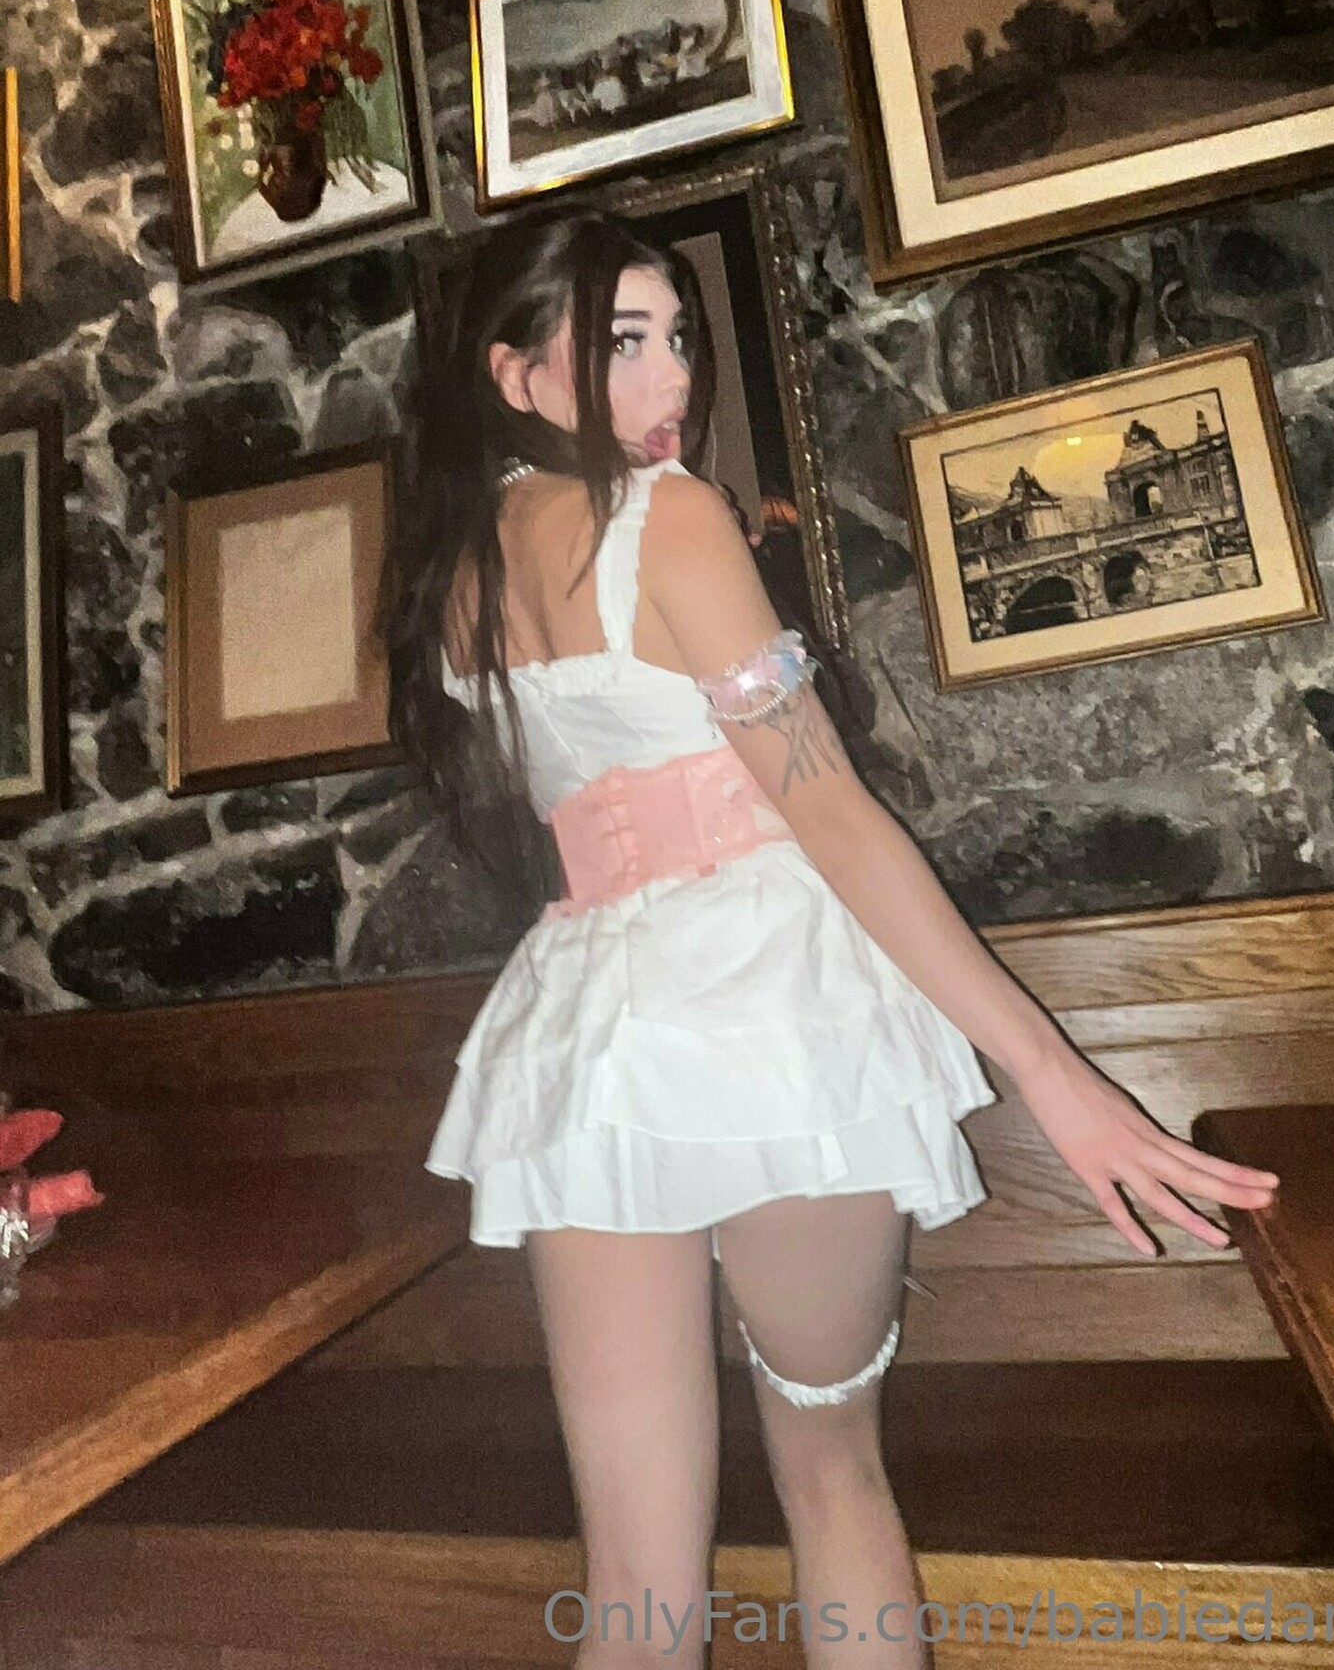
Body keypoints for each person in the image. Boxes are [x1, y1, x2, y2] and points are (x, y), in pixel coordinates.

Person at [385, 209, 1279, 1670]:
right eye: (623, 343)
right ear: (517, 374)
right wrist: (1055, 1074)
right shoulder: (671, 517)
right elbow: (833, 818)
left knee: (635, 1587)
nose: (674, 377)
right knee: (830, 1469)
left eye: (679, 339)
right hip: (769, 1007)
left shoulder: (462, 575)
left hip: (595, 1037)